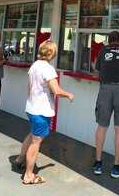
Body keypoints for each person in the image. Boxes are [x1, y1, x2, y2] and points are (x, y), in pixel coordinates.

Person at [17, 40, 74, 185]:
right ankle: (29, 175)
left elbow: (29, 89)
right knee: (36, 143)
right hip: (41, 111)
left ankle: (19, 159)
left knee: (31, 135)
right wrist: (68, 94)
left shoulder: (34, 65)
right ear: (52, 53)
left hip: (31, 107)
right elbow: (56, 91)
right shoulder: (48, 69)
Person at [93, 31, 119, 178]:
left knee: (102, 126)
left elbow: (97, 69)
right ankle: (116, 168)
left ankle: (98, 164)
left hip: (105, 89)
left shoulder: (103, 51)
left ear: (109, 41)